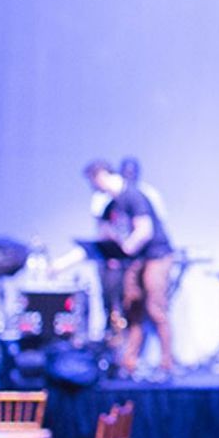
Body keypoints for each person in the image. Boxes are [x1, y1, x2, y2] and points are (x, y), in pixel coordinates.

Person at [85, 159, 177, 379]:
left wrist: (124, 249)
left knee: (155, 309)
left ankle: (167, 364)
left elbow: (144, 231)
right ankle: (129, 363)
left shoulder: (133, 195)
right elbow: (105, 235)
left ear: (101, 176)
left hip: (156, 256)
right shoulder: (112, 204)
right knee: (132, 310)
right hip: (137, 260)